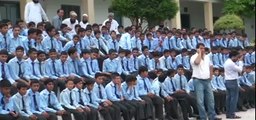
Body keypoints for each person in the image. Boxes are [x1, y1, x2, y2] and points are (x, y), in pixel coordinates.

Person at [190, 43, 221, 120]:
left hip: (207, 80)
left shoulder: (207, 57)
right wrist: (199, 53)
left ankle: (212, 116)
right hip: (198, 80)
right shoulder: (193, 57)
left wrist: (211, 76)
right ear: (197, 49)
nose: (203, 50)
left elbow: (211, 66)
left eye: (203, 48)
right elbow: (197, 62)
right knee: (200, 101)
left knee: (211, 100)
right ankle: (203, 117)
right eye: (201, 48)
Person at [223, 50, 243, 119]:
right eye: (237, 57)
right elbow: (240, 70)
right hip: (232, 81)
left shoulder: (227, 62)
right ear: (233, 56)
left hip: (227, 81)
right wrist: (240, 61)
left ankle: (228, 113)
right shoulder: (231, 63)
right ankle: (232, 114)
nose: (237, 59)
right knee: (233, 99)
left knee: (228, 98)